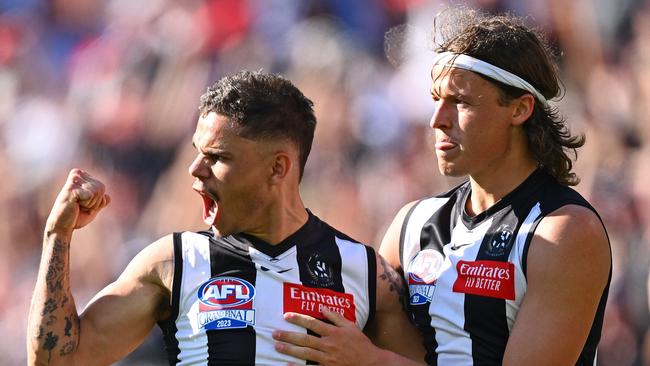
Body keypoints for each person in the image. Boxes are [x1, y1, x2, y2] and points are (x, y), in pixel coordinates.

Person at [272, 9, 612, 366]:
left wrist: (372, 361)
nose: (437, 120)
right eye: (436, 100)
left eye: (460, 102)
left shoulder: (564, 232)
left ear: (520, 109)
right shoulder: (413, 224)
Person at [26, 71, 425, 365]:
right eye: (198, 152)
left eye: (217, 158)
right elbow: (56, 361)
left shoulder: (363, 270)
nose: (194, 169)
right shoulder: (172, 262)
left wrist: (372, 360)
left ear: (278, 168)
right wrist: (57, 235)